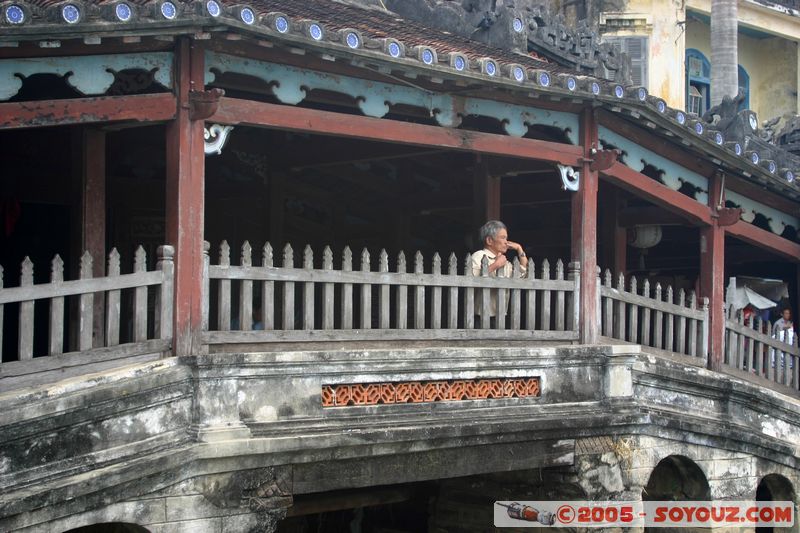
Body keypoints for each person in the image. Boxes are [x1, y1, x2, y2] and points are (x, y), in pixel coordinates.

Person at [471, 220, 528, 322]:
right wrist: (496, 265)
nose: (506, 241)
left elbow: (521, 275)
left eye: (506, 238)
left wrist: (520, 249)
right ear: (489, 241)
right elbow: (473, 281)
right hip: (480, 317)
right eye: (502, 237)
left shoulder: (505, 261)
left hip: (500, 316)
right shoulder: (478, 256)